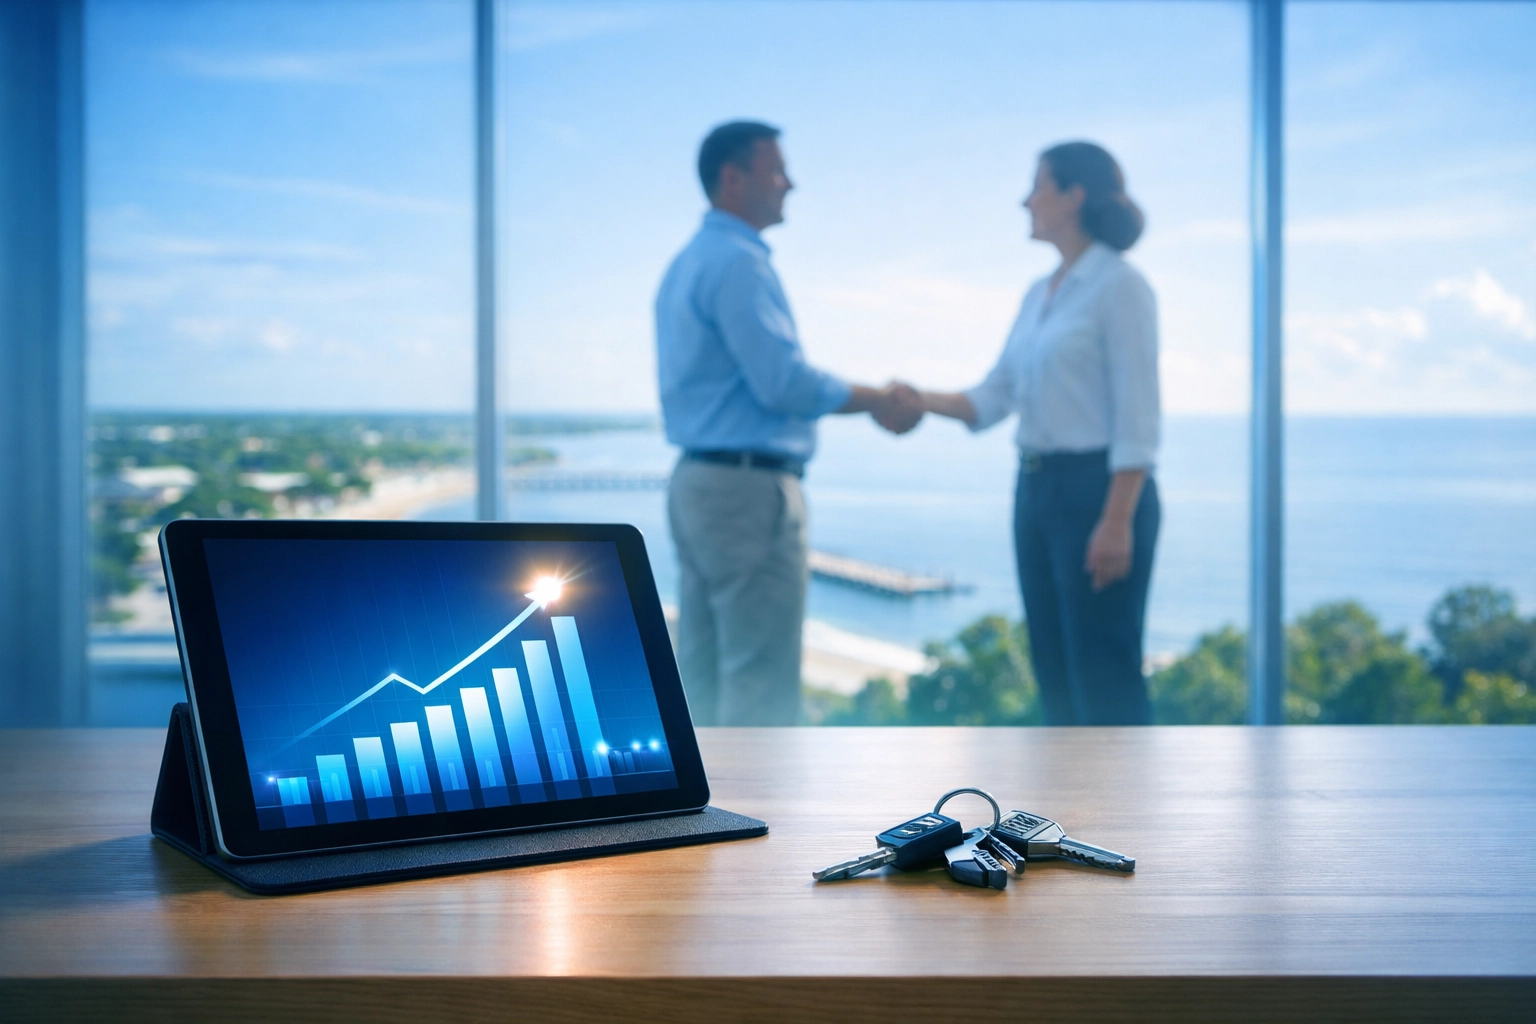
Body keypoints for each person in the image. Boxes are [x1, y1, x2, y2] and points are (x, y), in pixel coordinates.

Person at [656, 120, 923, 727]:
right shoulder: (738, 263)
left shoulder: (686, 263)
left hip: (698, 483)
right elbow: (785, 382)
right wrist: (878, 397)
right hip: (747, 493)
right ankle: (762, 821)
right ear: (733, 178)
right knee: (760, 680)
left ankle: (699, 814)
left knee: (701, 669)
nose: (790, 183)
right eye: (776, 170)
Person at [909, 141, 1160, 725]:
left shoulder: (1120, 285)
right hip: (1037, 493)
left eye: (1038, 185)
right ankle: (1075, 816)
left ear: (1074, 195)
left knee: (1105, 681)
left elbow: (1138, 417)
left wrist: (1117, 519)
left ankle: (1130, 816)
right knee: (1054, 676)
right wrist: (916, 399)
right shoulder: (1038, 294)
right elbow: (995, 395)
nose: (1026, 199)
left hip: (1098, 495)